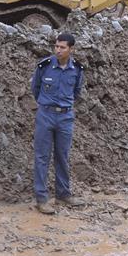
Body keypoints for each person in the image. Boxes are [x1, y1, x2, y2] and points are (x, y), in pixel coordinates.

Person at [30, 32, 87, 214]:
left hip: (65, 117)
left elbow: (77, 92)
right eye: (56, 46)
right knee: (42, 157)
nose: (58, 50)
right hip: (45, 115)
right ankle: (41, 198)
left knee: (62, 156)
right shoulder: (45, 66)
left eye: (62, 47)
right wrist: (46, 104)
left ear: (71, 49)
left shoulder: (77, 69)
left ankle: (63, 193)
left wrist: (64, 107)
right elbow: (35, 88)